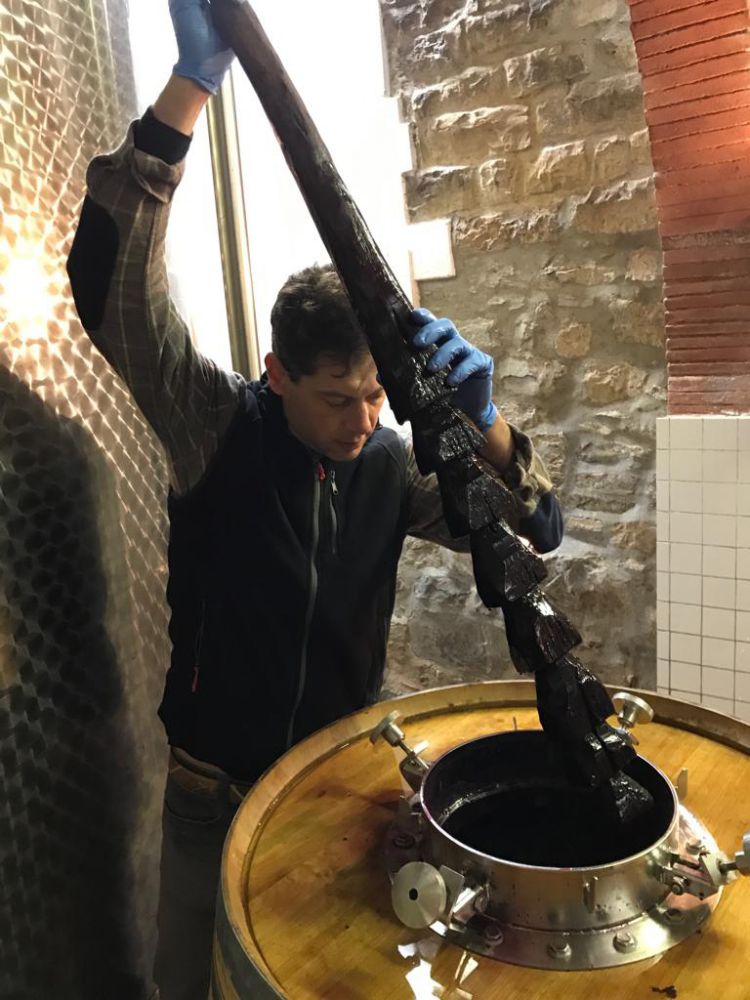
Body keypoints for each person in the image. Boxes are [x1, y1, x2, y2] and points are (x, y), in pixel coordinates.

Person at [67, 3, 563, 997]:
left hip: (337, 774)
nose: (362, 419)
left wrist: (490, 425)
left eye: (376, 395)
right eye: (338, 398)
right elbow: (109, 288)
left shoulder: (387, 465)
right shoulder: (216, 426)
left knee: (318, 981)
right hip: (211, 791)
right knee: (188, 979)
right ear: (278, 373)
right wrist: (188, 92)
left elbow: (536, 535)